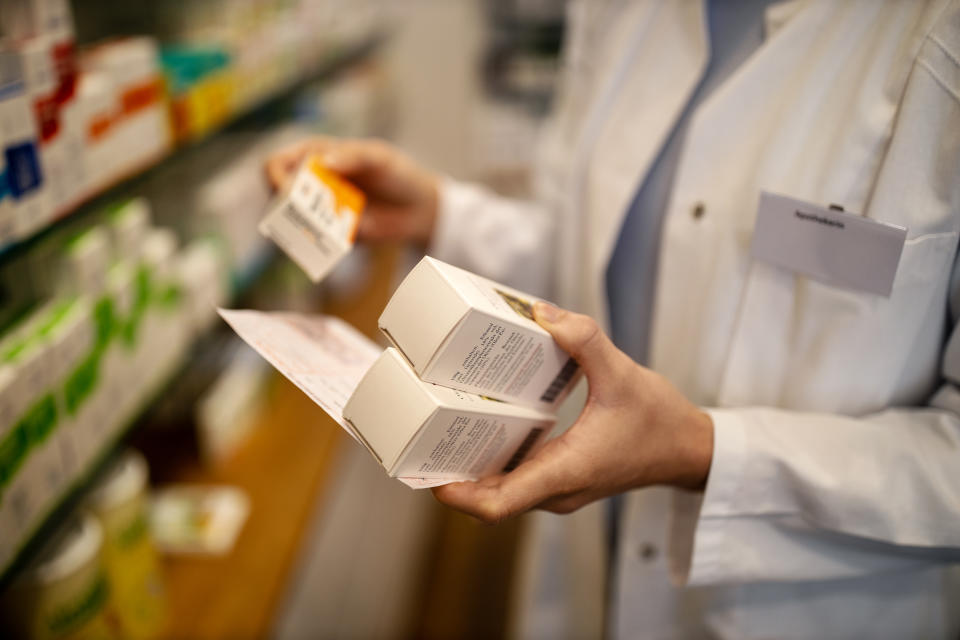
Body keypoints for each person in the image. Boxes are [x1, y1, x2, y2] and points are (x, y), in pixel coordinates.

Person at [267, 1, 960, 637]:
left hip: (804, 611)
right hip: (591, 567)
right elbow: (589, 253)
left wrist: (702, 450)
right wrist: (438, 211)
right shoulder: (622, 12)